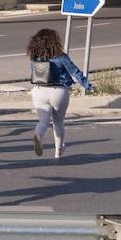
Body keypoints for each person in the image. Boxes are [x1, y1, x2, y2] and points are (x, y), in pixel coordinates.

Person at [26, 28, 94, 159]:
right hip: (59, 92)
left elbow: (34, 74)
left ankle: (38, 135)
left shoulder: (34, 57)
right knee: (58, 122)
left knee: (43, 121)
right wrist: (87, 85)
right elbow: (75, 72)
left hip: (39, 91)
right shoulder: (61, 56)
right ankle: (59, 150)